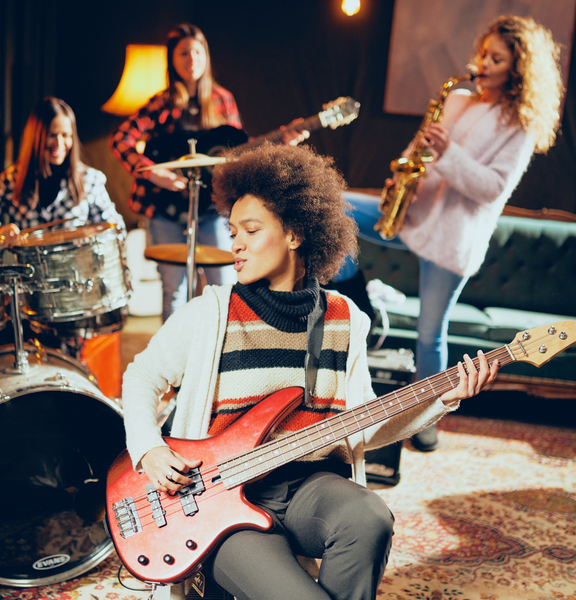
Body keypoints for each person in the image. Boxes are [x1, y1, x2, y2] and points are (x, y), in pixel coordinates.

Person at [121, 142, 498, 600]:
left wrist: (444, 396)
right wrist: (149, 450)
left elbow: (364, 426)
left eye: (251, 230)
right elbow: (142, 376)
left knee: (370, 518)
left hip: (309, 488)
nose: (235, 243)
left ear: (295, 234)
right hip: (220, 504)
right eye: (232, 230)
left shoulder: (344, 319)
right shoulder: (213, 313)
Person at [330, 14, 564, 452]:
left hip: (452, 239)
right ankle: (356, 300)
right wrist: (397, 176)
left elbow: (491, 188)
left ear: (519, 68)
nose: (484, 64)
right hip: (411, 215)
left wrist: (449, 152)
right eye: (483, 54)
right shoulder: (457, 98)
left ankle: (426, 419)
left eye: (497, 58)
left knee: (428, 335)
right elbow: (418, 147)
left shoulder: (521, 124)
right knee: (334, 207)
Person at [110, 23, 307, 322]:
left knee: (226, 284)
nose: (192, 59)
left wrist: (281, 140)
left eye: (197, 52)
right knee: (173, 290)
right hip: (165, 209)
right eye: (184, 53)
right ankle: (174, 364)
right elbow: (121, 138)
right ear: (172, 60)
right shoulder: (161, 103)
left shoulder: (222, 100)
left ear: (206, 56)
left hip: (213, 208)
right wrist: (150, 172)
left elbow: (241, 152)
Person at [0, 97, 125, 232]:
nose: (59, 144)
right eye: (52, 135)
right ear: (35, 137)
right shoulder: (9, 181)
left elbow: (117, 229)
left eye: (65, 135)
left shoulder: (89, 179)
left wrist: (96, 234)